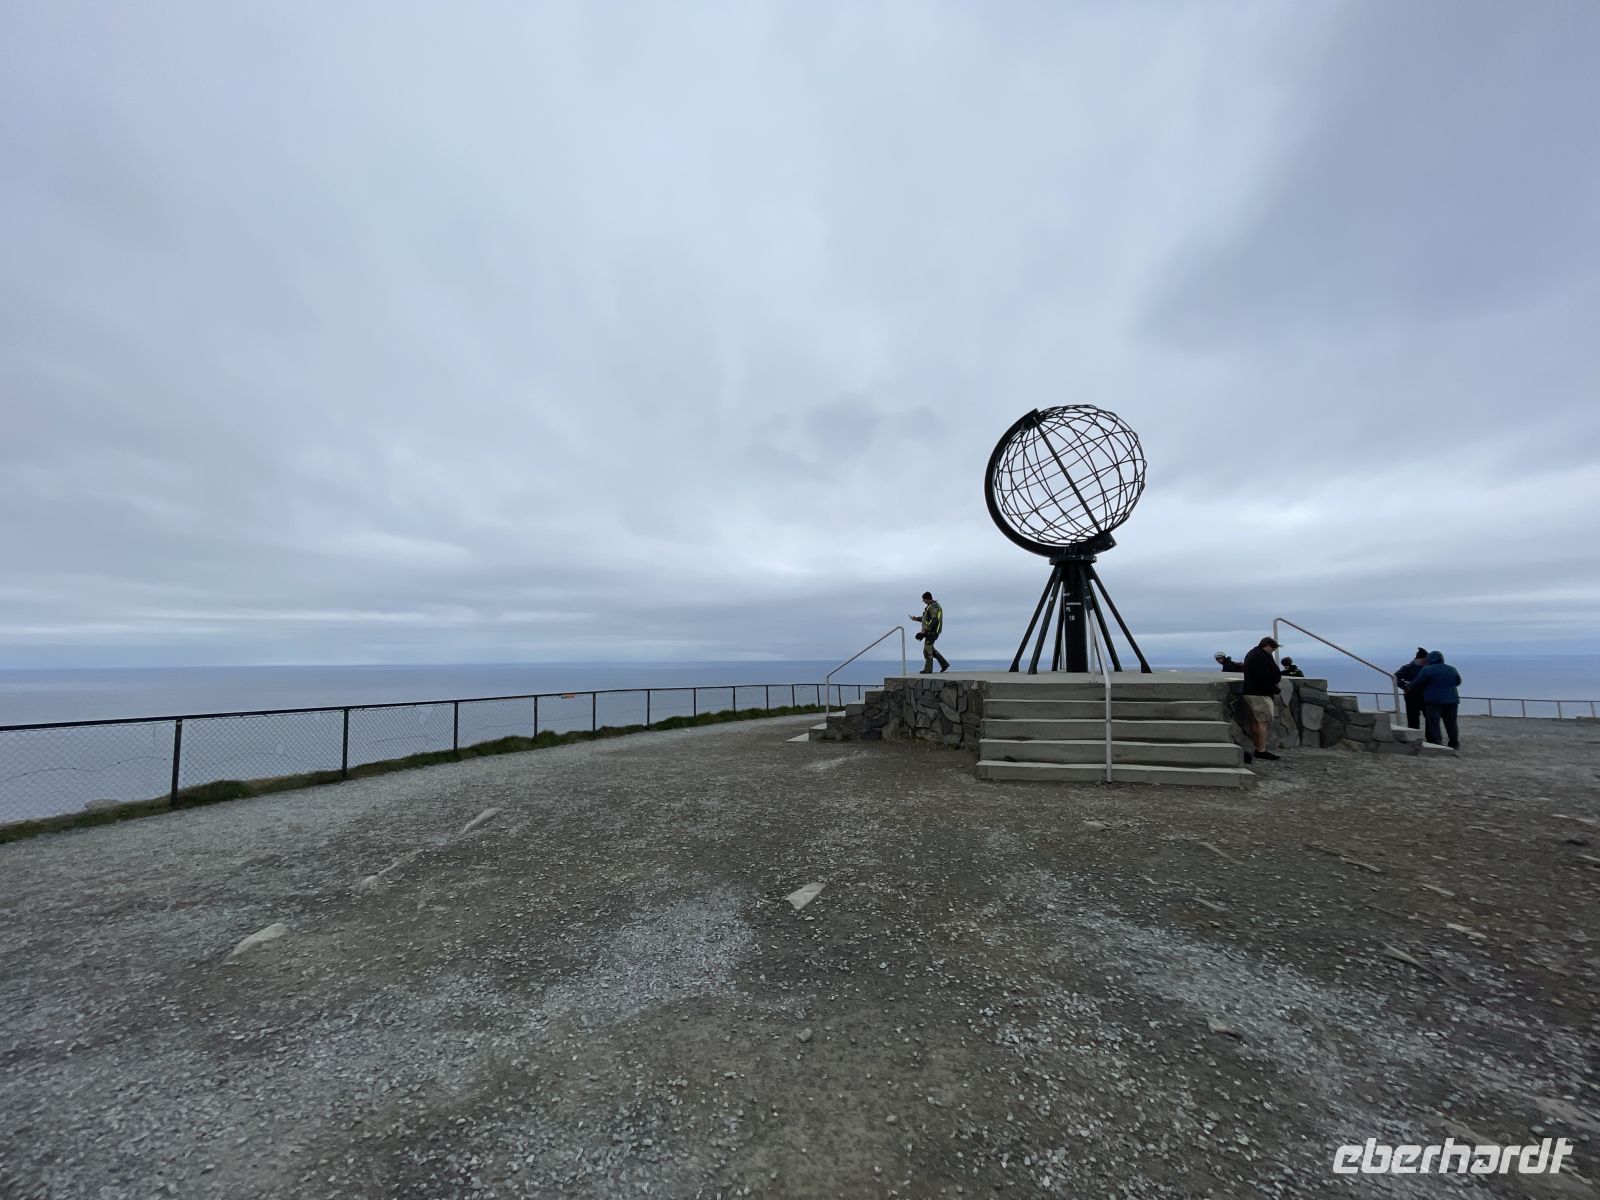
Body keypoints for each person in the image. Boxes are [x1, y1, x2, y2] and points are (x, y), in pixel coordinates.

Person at [1240, 636, 1283, 762]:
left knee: (1257, 721)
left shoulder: (1255, 654)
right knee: (1262, 722)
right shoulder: (1259, 656)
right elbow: (1262, 676)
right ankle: (1261, 750)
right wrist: (1275, 689)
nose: (1273, 652)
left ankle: (1258, 748)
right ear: (1267, 645)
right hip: (1259, 693)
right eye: (1273, 649)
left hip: (1254, 692)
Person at [1412, 650, 1462, 750]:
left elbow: (1417, 683)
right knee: (1451, 724)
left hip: (1433, 701)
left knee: (1434, 723)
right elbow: (1458, 681)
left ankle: (1437, 744)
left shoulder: (1427, 670)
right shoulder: (1451, 669)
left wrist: (1409, 685)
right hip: (1451, 700)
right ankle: (1454, 743)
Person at [910, 591, 949, 674]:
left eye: (923, 599)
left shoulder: (934, 606)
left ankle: (928, 669)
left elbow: (934, 619)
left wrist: (924, 630)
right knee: (931, 649)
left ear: (927, 599)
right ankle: (944, 664)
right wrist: (916, 619)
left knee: (927, 650)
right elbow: (926, 619)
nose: (923, 601)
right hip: (930, 631)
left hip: (933, 632)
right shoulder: (930, 606)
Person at [1395, 647, 1428, 730]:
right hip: (1412, 696)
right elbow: (1395, 677)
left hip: (1425, 696)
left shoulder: (1427, 668)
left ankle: (1430, 740)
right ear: (1421, 659)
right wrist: (1404, 686)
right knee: (1413, 720)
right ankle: (1415, 738)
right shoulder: (1408, 668)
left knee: (1429, 719)